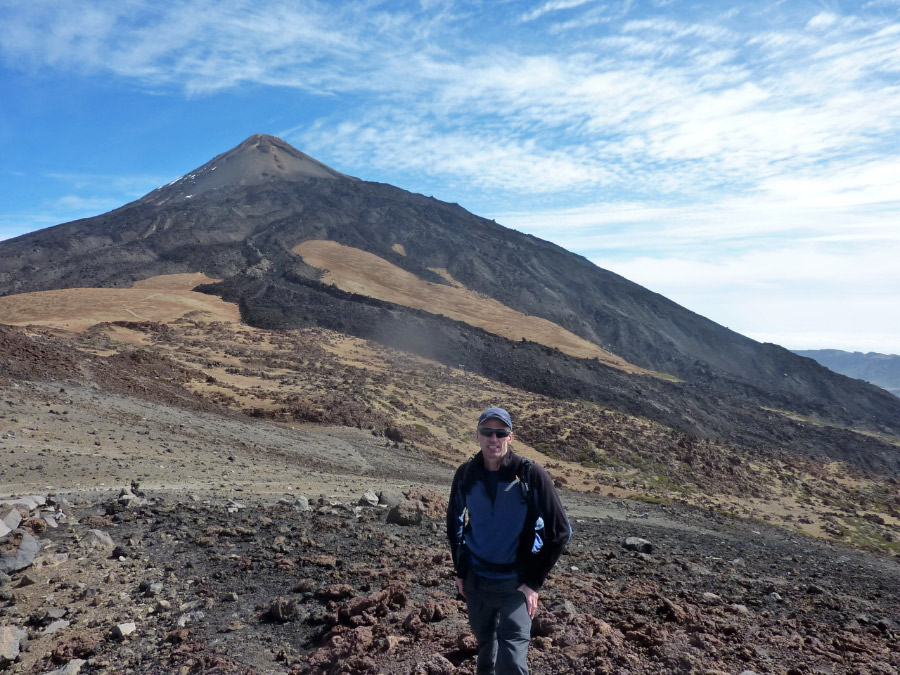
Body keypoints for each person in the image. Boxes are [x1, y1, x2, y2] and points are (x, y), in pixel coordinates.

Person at [446, 407, 572, 675]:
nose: (494, 439)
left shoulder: (530, 475)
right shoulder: (466, 474)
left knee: (512, 663)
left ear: (510, 437)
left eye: (500, 433)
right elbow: (454, 521)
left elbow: (561, 531)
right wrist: (460, 570)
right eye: (487, 432)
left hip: (516, 585)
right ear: (477, 436)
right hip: (477, 582)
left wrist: (534, 582)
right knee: (485, 649)